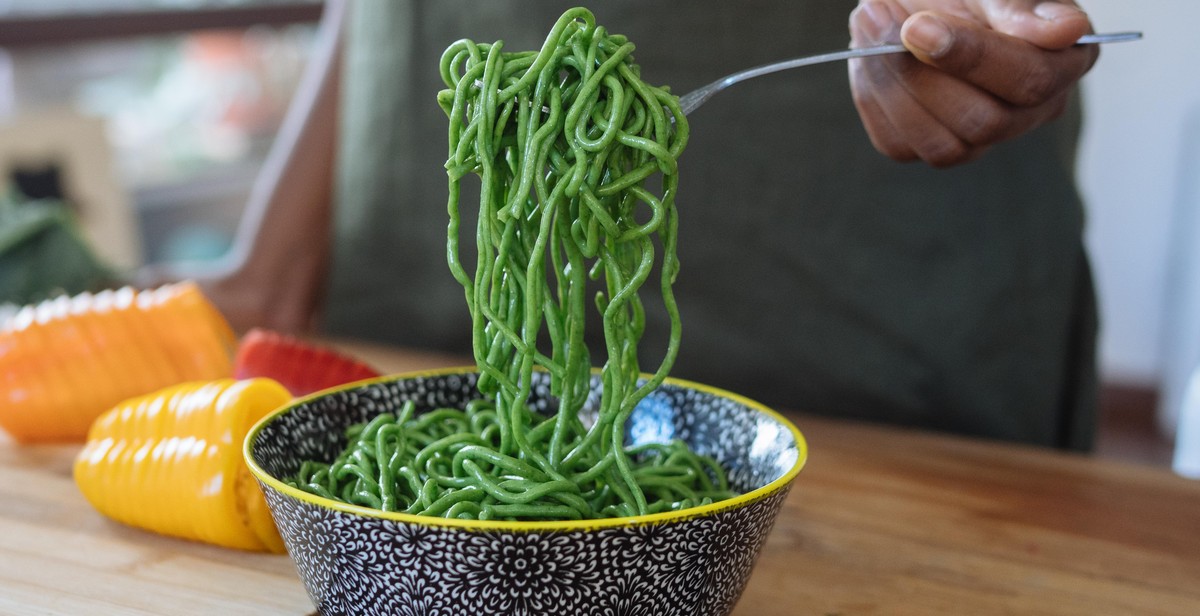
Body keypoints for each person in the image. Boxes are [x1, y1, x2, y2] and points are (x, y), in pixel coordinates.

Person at [141, 0, 1102, 450]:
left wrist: (980, 15)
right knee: (458, 431)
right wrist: (279, 252)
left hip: (866, 245)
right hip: (418, 136)